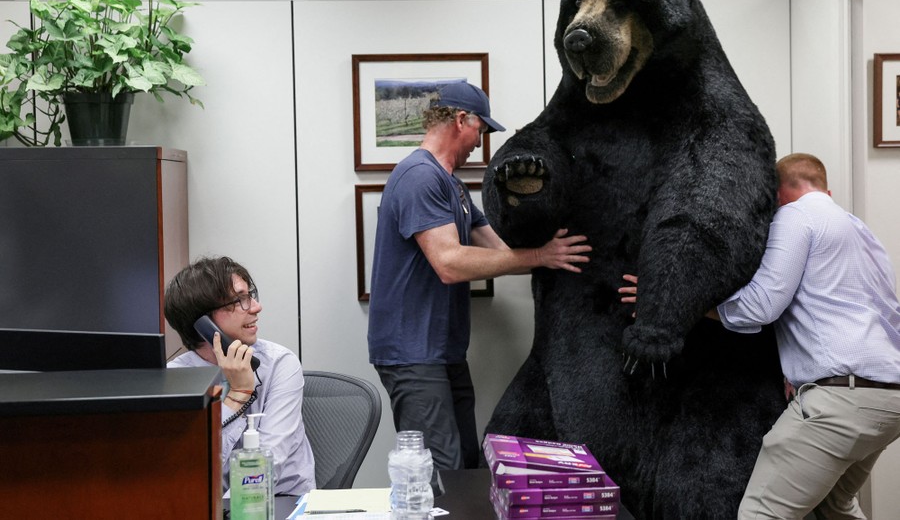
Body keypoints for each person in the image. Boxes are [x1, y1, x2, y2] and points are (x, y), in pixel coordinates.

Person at [620, 153, 900, 519]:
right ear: (825, 189)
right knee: (837, 506)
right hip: (890, 397)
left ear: (777, 193)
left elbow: (762, 305)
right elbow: (882, 312)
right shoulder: (859, 230)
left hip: (841, 400)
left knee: (761, 513)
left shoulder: (795, 215)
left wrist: (677, 303)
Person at [367, 82, 592, 472]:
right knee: (439, 475)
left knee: (467, 466)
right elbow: (449, 263)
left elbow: (501, 253)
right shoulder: (420, 177)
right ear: (460, 120)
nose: (480, 142)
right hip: (414, 353)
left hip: (444, 352)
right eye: (481, 131)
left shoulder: (451, 184)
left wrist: (551, 254)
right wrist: (538, 255)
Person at [165, 256, 316, 497]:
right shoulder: (176, 379)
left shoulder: (279, 364)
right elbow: (187, 468)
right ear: (203, 324)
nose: (256, 307)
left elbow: (265, 468)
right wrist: (237, 395)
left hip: (279, 502)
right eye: (240, 300)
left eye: (250, 296)